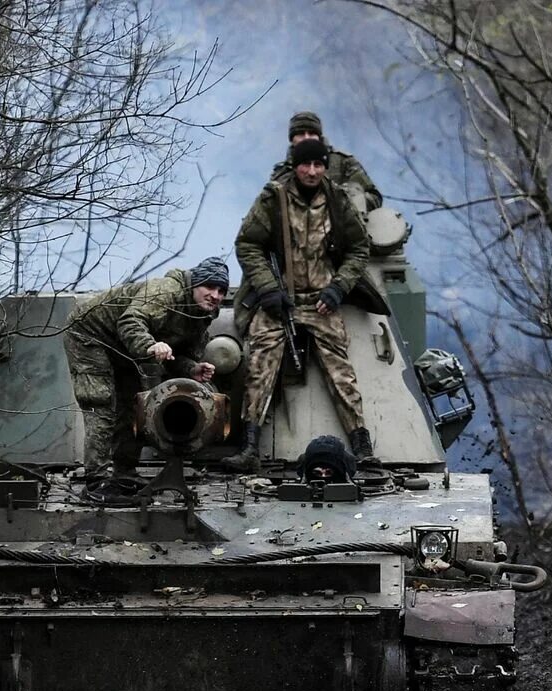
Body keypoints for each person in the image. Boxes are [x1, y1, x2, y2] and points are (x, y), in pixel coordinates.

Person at [224, 138, 377, 472]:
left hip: (323, 301)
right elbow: (247, 243)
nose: (311, 171)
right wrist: (267, 288)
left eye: (318, 165)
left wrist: (339, 287)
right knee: (260, 363)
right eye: (305, 165)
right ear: (295, 165)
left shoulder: (336, 199)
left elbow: (358, 249)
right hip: (280, 301)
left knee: (341, 372)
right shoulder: (274, 198)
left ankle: (362, 445)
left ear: (324, 166)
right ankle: (249, 446)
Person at [65, 257, 228, 476]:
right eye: (209, 286)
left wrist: (192, 369)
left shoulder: (202, 314)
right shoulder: (166, 291)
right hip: (91, 334)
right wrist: (151, 345)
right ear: (194, 284)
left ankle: (124, 473)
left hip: (126, 348)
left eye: (221, 290)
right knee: (100, 401)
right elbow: (130, 321)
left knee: (135, 405)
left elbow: (176, 356)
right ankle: (97, 479)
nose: (215, 295)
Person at [269, 110, 381, 210]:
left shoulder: (343, 162)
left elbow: (374, 196)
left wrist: (344, 201)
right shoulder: (282, 172)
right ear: (292, 139)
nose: (306, 138)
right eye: (301, 134)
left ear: (319, 136)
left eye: (311, 133)